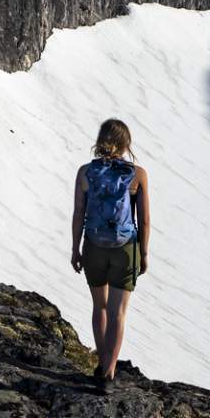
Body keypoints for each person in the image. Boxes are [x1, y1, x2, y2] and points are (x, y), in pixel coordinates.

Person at [70, 117, 150, 392]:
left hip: (93, 246)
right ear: (125, 145)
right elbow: (146, 220)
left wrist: (75, 249)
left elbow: (79, 214)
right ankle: (109, 372)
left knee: (100, 307)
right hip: (125, 248)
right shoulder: (137, 174)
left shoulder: (84, 173)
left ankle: (102, 365)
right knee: (119, 313)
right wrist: (144, 254)